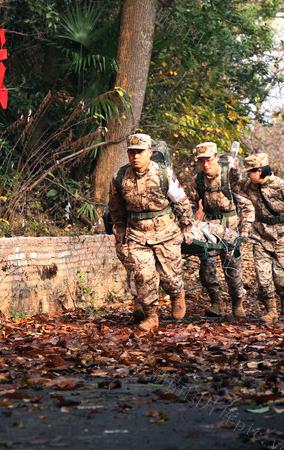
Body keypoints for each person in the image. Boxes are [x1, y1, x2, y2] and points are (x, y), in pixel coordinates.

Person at [108, 133, 195, 330]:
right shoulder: (120, 177)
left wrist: (187, 227)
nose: (136, 156)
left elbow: (181, 201)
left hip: (166, 233)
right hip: (137, 234)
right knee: (143, 275)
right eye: (132, 152)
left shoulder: (163, 174)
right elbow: (115, 206)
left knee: (170, 278)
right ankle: (151, 315)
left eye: (140, 152)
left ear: (150, 152)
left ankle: (177, 295)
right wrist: (120, 227)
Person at [234, 152, 284, 322]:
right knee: (263, 277)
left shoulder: (283, 187)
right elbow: (232, 186)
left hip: (283, 236)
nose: (247, 176)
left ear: (260, 171)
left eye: (250, 172)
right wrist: (231, 167)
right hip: (260, 234)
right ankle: (271, 310)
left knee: (280, 276)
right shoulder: (248, 186)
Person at [192, 142, 254, 319]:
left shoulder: (229, 177)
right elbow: (190, 203)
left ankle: (237, 303)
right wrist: (188, 223)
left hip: (230, 226)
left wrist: (245, 230)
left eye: (209, 160)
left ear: (217, 158)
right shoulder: (198, 179)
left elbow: (247, 205)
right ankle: (216, 303)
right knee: (206, 267)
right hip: (209, 228)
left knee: (232, 269)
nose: (205, 165)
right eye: (201, 161)